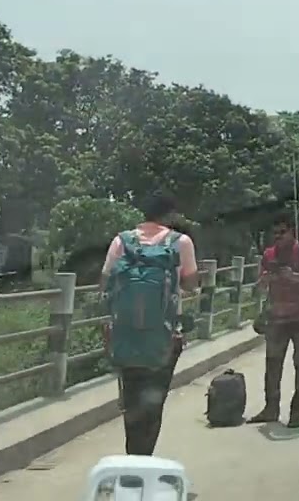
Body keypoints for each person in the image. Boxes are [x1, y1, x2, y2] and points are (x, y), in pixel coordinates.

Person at [101, 191, 199, 455]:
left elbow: (105, 282)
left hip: (125, 333)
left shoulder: (121, 241)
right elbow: (191, 284)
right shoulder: (181, 242)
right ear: (170, 214)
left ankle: (132, 456)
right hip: (164, 336)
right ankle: (144, 458)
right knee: (154, 401)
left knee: (131, 399)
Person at [249, 212, 299, 428]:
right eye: (274, 233)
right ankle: (270, 409)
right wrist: (265, 280)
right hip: (276, 317)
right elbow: (259, 287)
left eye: (282, 232)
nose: (278, 236)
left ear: (293, 232)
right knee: (273, 364)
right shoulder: (269, 254)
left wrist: (294, 276)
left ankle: (296, 412)